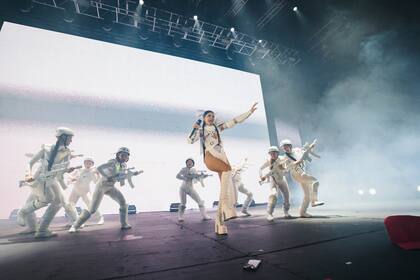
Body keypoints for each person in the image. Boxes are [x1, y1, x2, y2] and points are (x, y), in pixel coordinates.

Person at [188, 102, 258, 235]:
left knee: (226, 182)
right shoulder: (201, 130)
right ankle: (227, 207)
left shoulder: (218, 128)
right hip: (210, 156)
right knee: (227, 170)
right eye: (208, 116)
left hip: (222, 156)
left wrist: (249, 112)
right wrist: (195, 129)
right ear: (204, 118)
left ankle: (219, 222)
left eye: (213, 116)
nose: (211, 118)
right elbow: (190, 141)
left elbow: (234, 121)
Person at [17, 127, 79, 238]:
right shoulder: (46, 148)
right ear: (63, 137)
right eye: (70, 138)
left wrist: (67, 171)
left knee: (57, 202)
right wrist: (28, 174)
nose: (71, 141)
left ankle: (40, 230)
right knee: (46, 200)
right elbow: (30, 163)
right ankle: (24, 215)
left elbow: (60, 170)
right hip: (39, 179)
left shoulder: (67, 152)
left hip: (52, 180)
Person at [69, 147, 141, 233]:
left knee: (123, 203)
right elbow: (99, 168)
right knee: (92, 209)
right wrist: (108, 176)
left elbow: (121, 176)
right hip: (102, 186)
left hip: (111, 187)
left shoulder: (123, 165)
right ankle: (75, 226)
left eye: (126, 156)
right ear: (118, 155)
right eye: (123, 155)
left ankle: (124, 224)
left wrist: (132, 174)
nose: (124, 157)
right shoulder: (112, 162)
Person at [280, 139, 324, 218]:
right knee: (315, 181)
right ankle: (314, 201)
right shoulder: (285, 157)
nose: (286, 148)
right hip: (297, 174)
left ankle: (302, 212)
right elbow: (290, 166)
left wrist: (311, 147)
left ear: (290, 146)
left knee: (307, 194)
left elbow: (305, 152)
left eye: (287, 146)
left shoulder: (297, 150)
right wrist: (299, 160)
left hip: (302, 173)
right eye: (284, 147)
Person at [68, 157, 104, 225]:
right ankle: (74, 220)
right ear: (84, 163)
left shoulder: (92, 172)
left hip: (85, 191)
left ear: (92, 164)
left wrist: (98, 174)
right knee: (70, 205)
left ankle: (100, 218)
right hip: (75, 190)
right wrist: (72, 179)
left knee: (91, 204)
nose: (87, 164)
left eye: (89, 163)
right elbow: (70, 176)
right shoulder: (79, 170)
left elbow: (96, 181)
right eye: (86, 163)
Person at [259, 146, 292, 221]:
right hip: (273, 180)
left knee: (287, 197)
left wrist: (283, 168)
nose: (273, 155)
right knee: (273, 195)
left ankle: (286, 211)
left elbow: (287, 170)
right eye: (271, 153)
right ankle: (269, 213)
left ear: (277, 153)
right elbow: (260, 168)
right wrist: (261, 176)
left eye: (274, 153)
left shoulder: (282, 159)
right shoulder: (268, 160)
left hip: (281, 179)